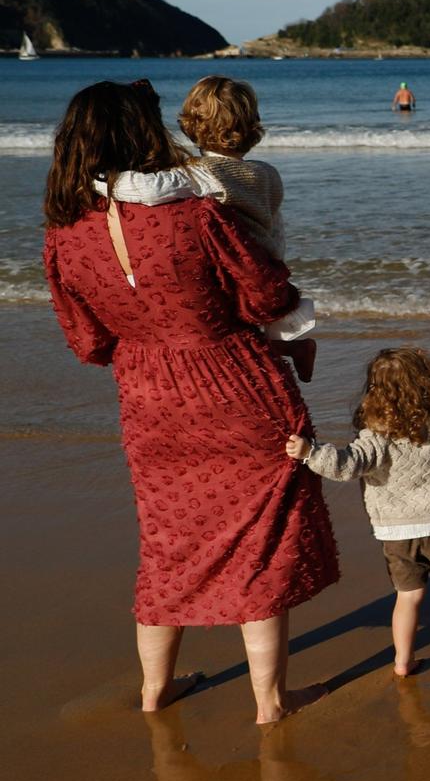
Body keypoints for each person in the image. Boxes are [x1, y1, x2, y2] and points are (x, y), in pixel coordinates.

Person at [43, 81, 338, 724]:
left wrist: (146, 334)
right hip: (235, 382)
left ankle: (156, 691)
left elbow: (88, 342)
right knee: (260, 534)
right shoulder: (197, 213)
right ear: (142, 133)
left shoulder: (64, 235)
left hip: (148, 395)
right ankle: (271, 701)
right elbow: (265, 295)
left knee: (168, 538)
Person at [286, 347, 430, 676]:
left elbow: (346, 466)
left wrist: (309, 453)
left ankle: (403, 660)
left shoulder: (375, 436)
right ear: (427, 381)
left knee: (409, 595)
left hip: (396, 530)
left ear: (374, 391)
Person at [97, 75, 319, 381]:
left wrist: (100, 180)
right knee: (258, 331)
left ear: (191, 125)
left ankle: (280, 357)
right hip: (268, 263)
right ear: (252, 127)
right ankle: (296, 348)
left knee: (231, 335)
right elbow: (274, 223)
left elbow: (148, 190)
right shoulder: (268, 172)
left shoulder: (201, 174)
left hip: (232, 269)